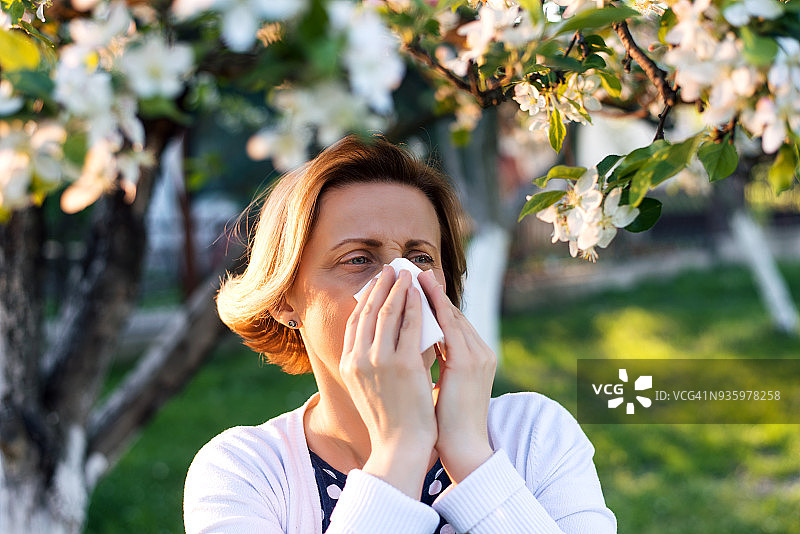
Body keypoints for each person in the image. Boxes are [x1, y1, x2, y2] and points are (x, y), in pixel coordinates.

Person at [183, 135, 617, 534]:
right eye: (358, 259)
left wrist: (470, 455)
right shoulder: (243, 471)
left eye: (420, 257)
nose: (402, 282)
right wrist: (398, 452)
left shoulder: (533, 432)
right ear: (285, 300)